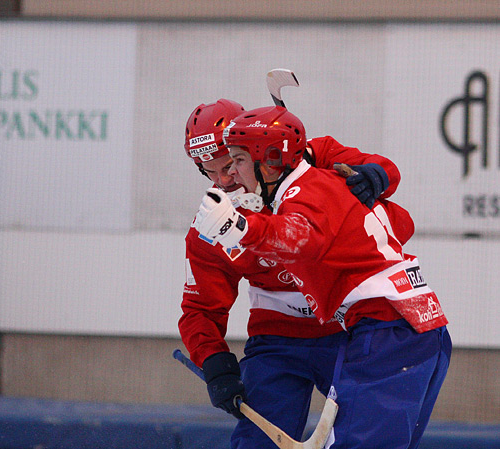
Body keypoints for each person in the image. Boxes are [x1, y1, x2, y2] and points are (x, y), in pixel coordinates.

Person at [192, 104, 451, 449]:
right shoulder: (310, 182)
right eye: (209, 172)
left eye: (232, 163)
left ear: (265, 155)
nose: (225, 181)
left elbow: (302, 237)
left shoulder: (316, 173)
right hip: (391, 326)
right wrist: (214, 362)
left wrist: (242, 227)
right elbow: (199, 307)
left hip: (365, 331)